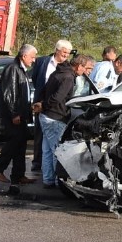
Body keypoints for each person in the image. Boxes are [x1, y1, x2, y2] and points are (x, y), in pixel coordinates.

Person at [0, 44, 39, 193]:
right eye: (32, 57)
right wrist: (14, 114)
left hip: (21, 114)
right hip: (13, 115)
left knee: (21, 145)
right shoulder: (13, 69)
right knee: (14, 142)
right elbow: (8, 94)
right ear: (24, 56)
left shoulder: (21, 69)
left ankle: (18, 175)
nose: (34, 60)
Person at [38, 54, 94, 188]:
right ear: (79, 66)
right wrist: (44, 105)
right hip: (55, 117)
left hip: (46, 116)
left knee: (47, 150)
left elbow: (44, 90)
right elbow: (58, 98)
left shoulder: (59, 72)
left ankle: (48, 180)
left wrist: (41, 105)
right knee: (58, 151)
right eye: (87, 68)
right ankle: (60, 182)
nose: (87, 72)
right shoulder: (68, 77)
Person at [30, 39, 73, 171]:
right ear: (57, 50)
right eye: (64, 52)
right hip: (42, 105)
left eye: (68, 53)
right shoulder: (42, 62)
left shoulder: (66, 69)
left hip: (54, 108)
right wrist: (40, 101)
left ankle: (48, 174)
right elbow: (35, 78)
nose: (66, 55)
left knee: (48, 145)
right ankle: (37, 163)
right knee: (40, 136)